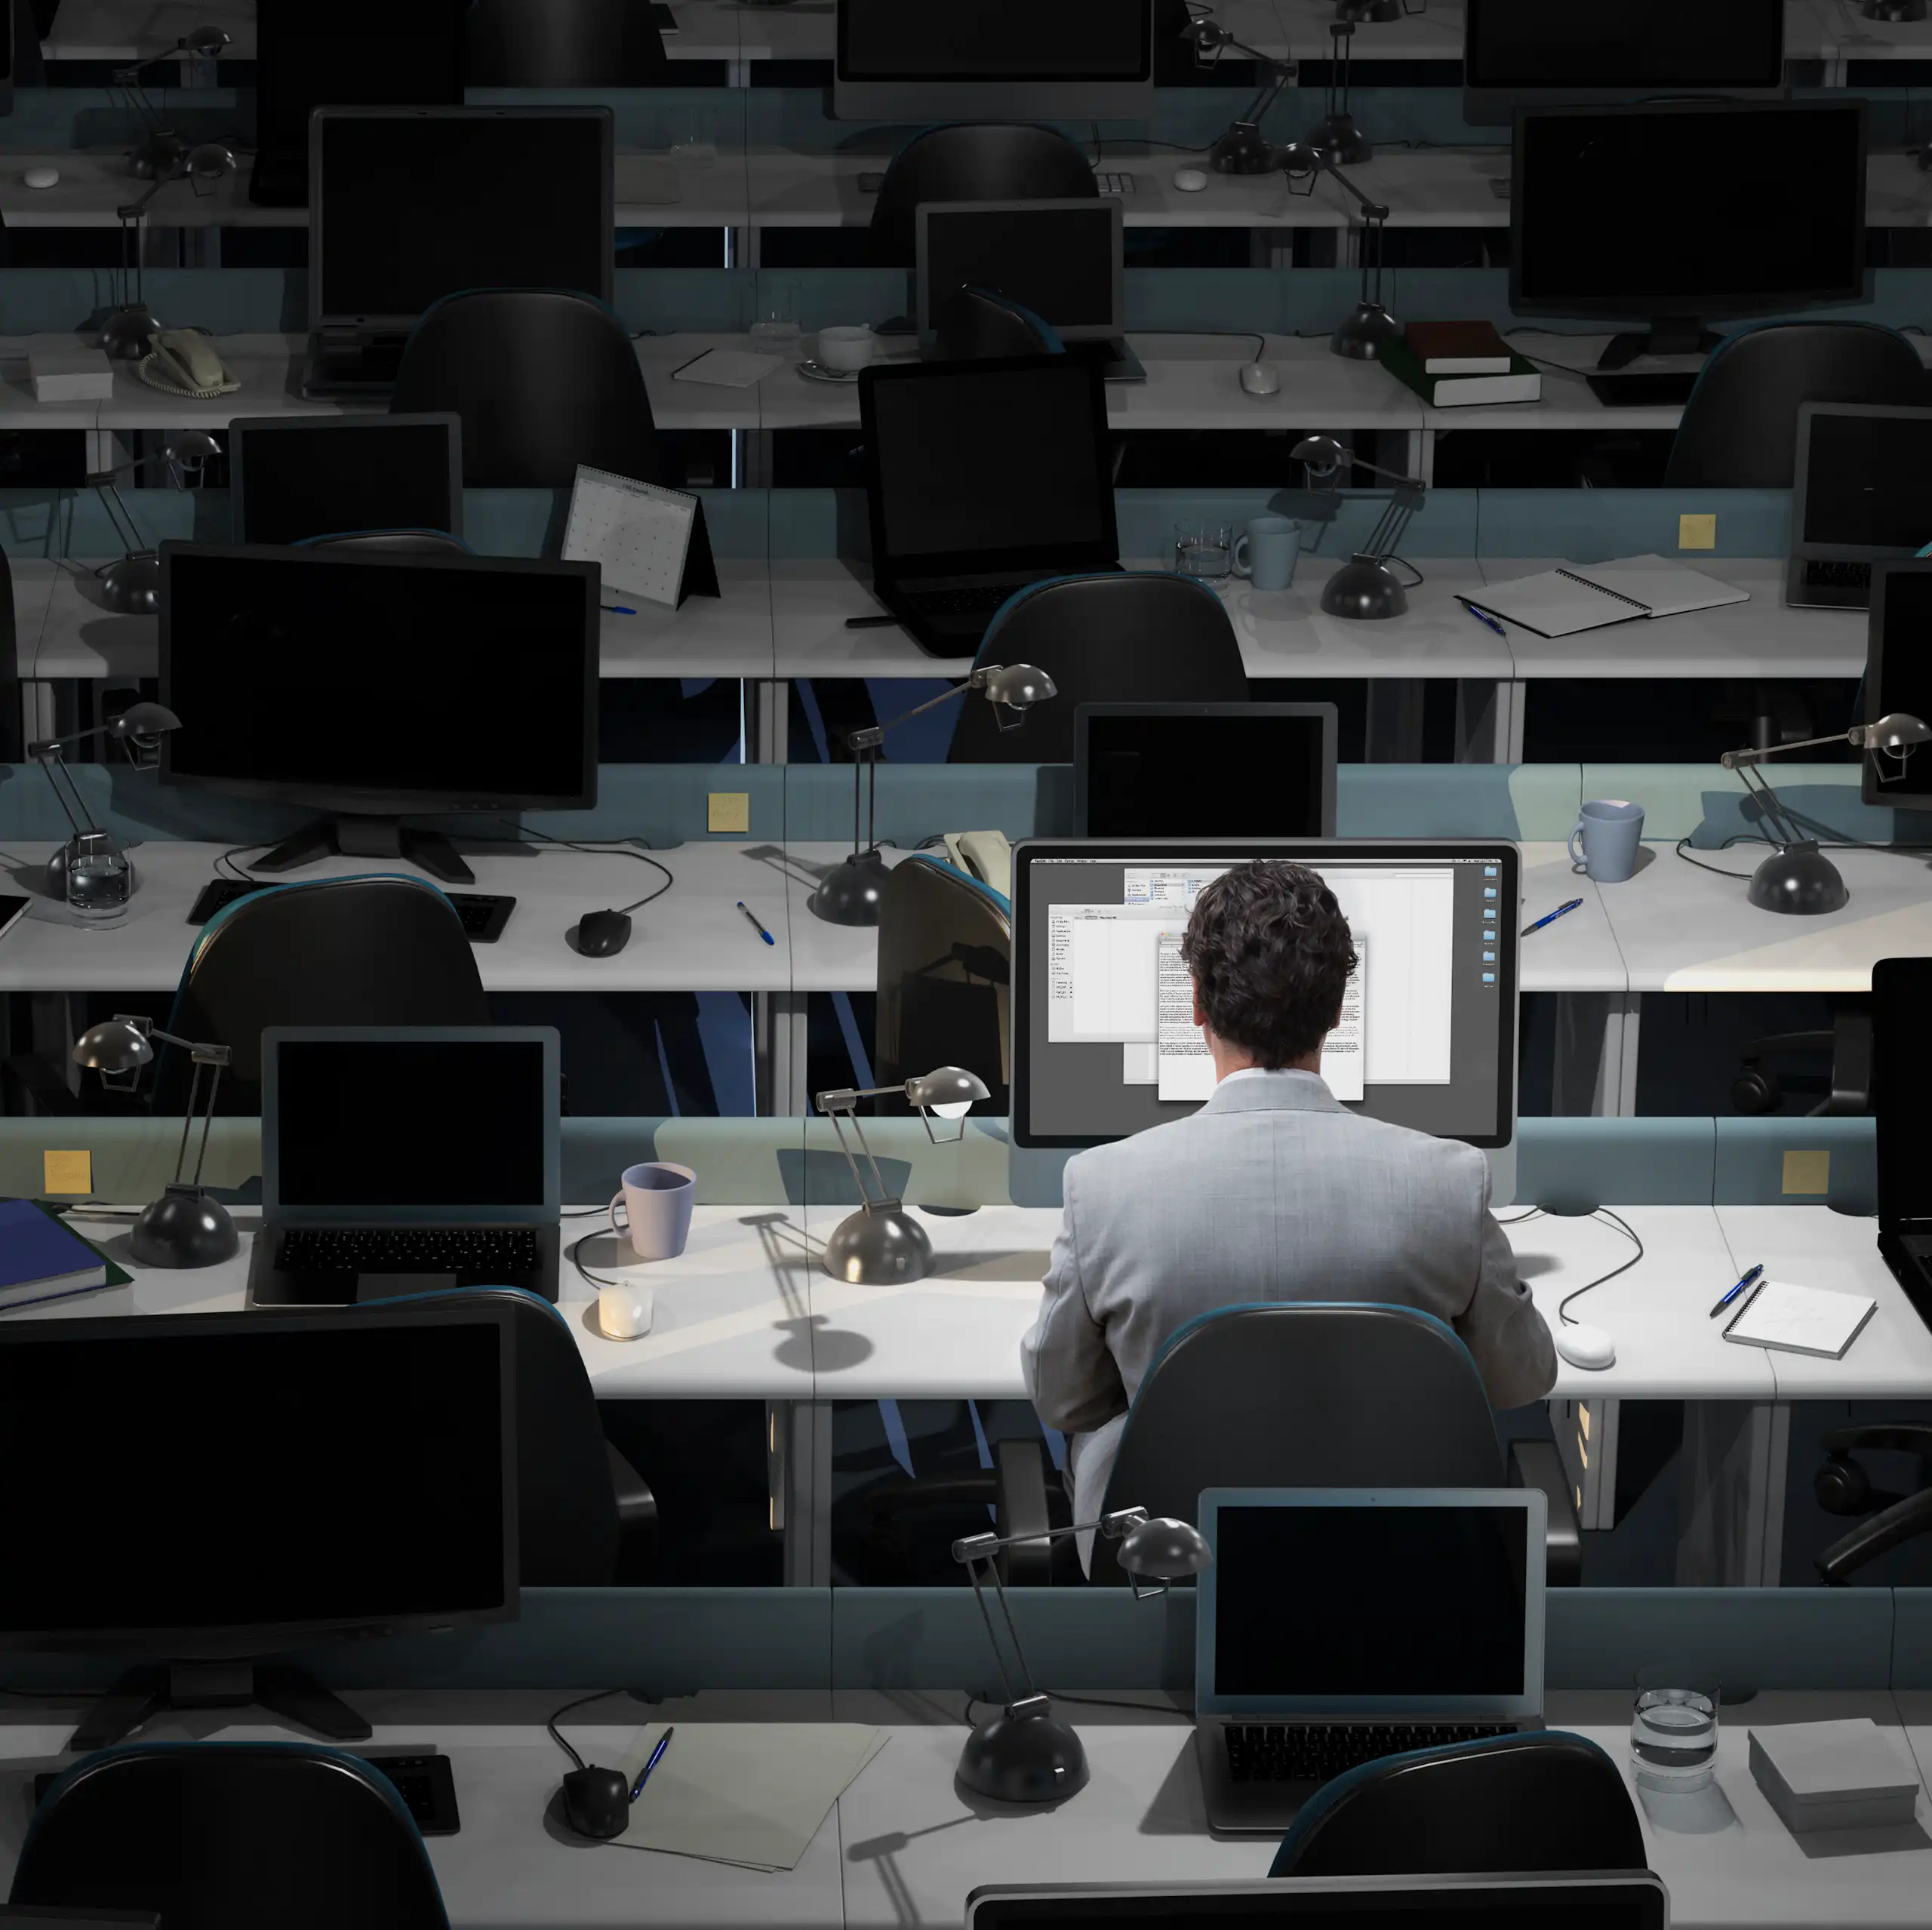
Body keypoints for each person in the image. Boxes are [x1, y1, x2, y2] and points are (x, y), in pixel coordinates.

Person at [1022, 858, 1557, 1538]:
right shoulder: (1450, 1180)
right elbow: (1521, 1380)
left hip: (1172, 1557)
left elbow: (1062, 1397)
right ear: (1338, 1009)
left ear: (1193, 1005)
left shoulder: (1101, 1185)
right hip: (1396, 1553)